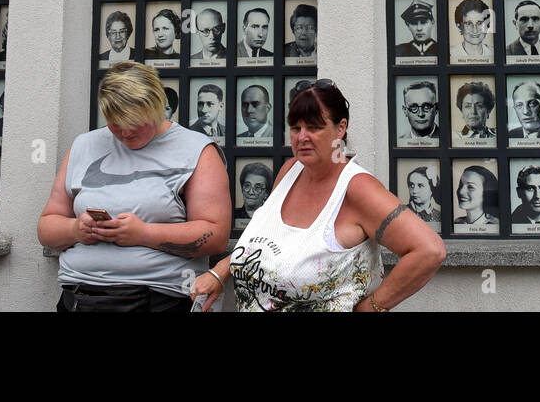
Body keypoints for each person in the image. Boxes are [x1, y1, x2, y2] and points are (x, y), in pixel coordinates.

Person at [193, 80, 444, 311]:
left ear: (340, 128)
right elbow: (263, 244)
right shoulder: (291, 170)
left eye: (314, 127)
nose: (302, 137)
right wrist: (219, 272)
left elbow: (429, 250)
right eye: (296, 127)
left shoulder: (357, 188)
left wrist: (371, 308)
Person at [40, 63, 230, 311]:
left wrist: (144, 234)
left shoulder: (197, 149)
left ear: (156, 107)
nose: (125, 132)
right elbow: (46, 226)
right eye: (115, 123)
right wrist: (76, 229)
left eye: (135, 122)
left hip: (156, 300)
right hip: (80, 297)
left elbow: (216, 236)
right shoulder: (84, 145)